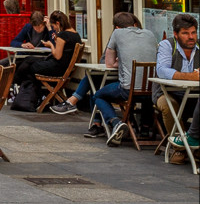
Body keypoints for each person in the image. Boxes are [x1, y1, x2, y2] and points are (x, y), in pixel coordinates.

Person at [50, 11, 159, 144]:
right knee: (95, 79)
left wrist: (120, 62)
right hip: (151, 90)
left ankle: (114, 122)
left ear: (117, 28)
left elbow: (108, 64)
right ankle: (90, 116)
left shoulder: (117, 34)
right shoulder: (150, 34)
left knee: (98, 94)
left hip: (127, 88)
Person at [154, 13, 198, 136]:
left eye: (193, 33)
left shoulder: (198, 46)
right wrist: (191, 77)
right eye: (185, 33)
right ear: (175, 34)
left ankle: (194, 140)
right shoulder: (167, 45)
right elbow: (162, 70)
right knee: (168, 105)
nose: (191, 37)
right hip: (167, 92)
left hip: (194, 94)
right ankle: (179, 143)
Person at [14, 10, 81, 88]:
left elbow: (57, 56)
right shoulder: (76, 35)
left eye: (53, 25)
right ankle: (26, 89)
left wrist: (50, 45)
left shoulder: (62, 35)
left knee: (28, 67)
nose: (54, 28)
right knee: (28, 61)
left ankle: (18, 86)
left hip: (57, 68)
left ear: (58, 23)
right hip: (64, 68)